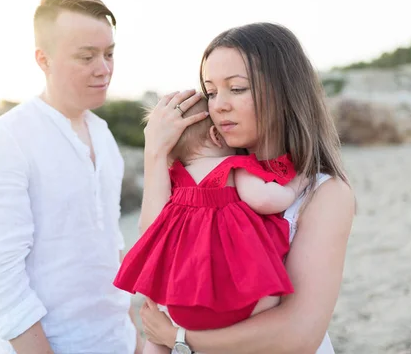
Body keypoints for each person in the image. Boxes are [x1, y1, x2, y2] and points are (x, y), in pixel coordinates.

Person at [137, 23, 355, 354]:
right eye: (210, 92)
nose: (218, 105)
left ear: (284, 91)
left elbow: (299, 334)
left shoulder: (325, 193)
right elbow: (151, 244)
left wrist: (179, 339)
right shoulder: (198, 183)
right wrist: (155, 153)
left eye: (236, 89)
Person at [0, 0, 141, 354]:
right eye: (86, 56)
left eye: (109, 54)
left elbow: (109, 249)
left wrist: (134, 340)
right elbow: (3, 282)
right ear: (43, 59)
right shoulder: (4, 141)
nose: (103, 68)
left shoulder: (104, 137)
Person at [114, 97, 310, 353]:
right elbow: (264, 199)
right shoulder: (232, 167)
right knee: (272, 289)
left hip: (180, 301)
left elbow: (149, 227)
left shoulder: (175, 181)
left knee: (156, 339)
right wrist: (297, 186)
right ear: (216, 135)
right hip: (241, 301)